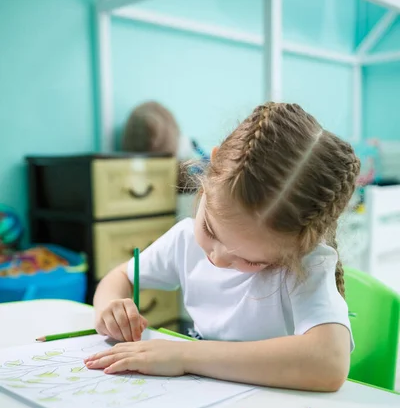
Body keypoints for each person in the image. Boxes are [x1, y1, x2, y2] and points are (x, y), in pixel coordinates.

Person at [86, 102, 360, 392]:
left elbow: (329, 363)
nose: (216, 257)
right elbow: (119, 277)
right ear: (212, 167)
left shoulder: (307, 264)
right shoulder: (184, 239)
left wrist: (184, 356)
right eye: (209, 229)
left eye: (251, 261)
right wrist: (109, 308)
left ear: (299, 245)